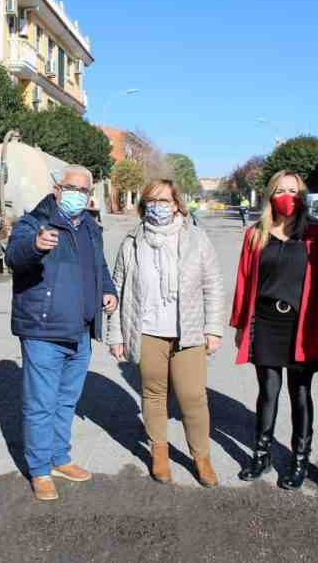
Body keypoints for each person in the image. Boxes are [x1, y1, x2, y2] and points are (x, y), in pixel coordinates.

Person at [6, 164, 118, 501]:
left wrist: (108, 289)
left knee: (66, 400)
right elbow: (14, 257)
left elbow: (99, 266)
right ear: (57, 190)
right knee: (41, 404)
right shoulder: (34, 222)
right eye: (72, 188)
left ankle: (59, 457)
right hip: (44, 331)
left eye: (84, 190)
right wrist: (36, 245)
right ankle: (40, 470)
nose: (77, 195)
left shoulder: (90, 227)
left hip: (80, 330)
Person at [230, 170, 318, 490]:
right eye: (281, 191)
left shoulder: (317, 233)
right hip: (265, 322)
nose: (287, 197)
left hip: (303, 324)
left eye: (293, 191)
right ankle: (261, 455)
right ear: (271, 195)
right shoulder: (256, 234)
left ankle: (299, 461)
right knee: (267, 391)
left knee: (301, 391)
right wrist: (240, 324)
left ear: (302, 196)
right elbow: (243, 282)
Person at [107, 179, 225, 487]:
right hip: (147, 331)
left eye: (164, 201)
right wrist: (116, 334)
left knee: (192, 397)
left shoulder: (196, 238)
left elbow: (213, 285)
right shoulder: (132, 241)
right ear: (144, 205)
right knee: (153, 394)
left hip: (189, 332)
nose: (158, 206)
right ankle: (159, 451)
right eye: (152, 201)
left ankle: (201, 457)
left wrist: (214, 328)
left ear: (176, 205)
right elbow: (117, 289)